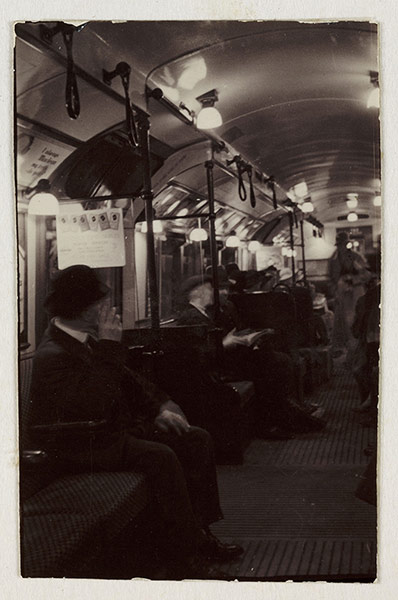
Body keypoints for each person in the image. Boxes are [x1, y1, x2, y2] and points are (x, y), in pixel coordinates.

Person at [28, 265, 243, 579]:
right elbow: (93, 405)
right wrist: (110, 346)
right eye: (100, 305)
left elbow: (130, 382)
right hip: (80, 444)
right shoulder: (54, 353)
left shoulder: (83, 340)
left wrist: (159, 408)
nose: (108, 310)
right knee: (161, 456)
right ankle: (183, 553)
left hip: (107, 433)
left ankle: (200, 532)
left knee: (195, 438)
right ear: (83, 309)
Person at [176, 271, 326, 438]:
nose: (215, 293)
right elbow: (201, 351)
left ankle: (285, 416)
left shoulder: (206, 313)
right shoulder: (191, 317)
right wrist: (225, 343)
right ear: (198, 292)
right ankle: (274, 422)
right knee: (270, 366)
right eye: (210, 289)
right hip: (215, 369)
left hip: (224, 361)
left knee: (273, 361)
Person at [329, 231, 371, 358]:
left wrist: (354, 280)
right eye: (339, 245)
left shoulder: (356, 257)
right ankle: (347, 350)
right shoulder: (334, 260)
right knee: (342, 321)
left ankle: (358, 350)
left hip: (356, 292)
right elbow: (332, 279)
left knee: (355, 319)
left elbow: (366, 275)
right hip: (342, 293)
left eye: (343, 244)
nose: (341, 247)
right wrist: (336, 292)